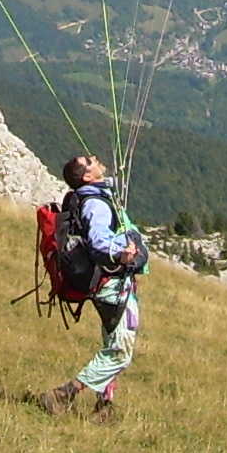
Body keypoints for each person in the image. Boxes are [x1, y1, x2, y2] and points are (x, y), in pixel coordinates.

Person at [37, 154, 144, 423]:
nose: (95, 158)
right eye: (90, 161)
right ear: (87, 176)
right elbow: (98, 242)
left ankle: (104, 406)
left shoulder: (93, 197)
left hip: (111, 283)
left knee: (113, 342)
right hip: (112, 285)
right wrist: (122, 255)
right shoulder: (96, 204)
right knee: (120, 352)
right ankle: (64, 394)